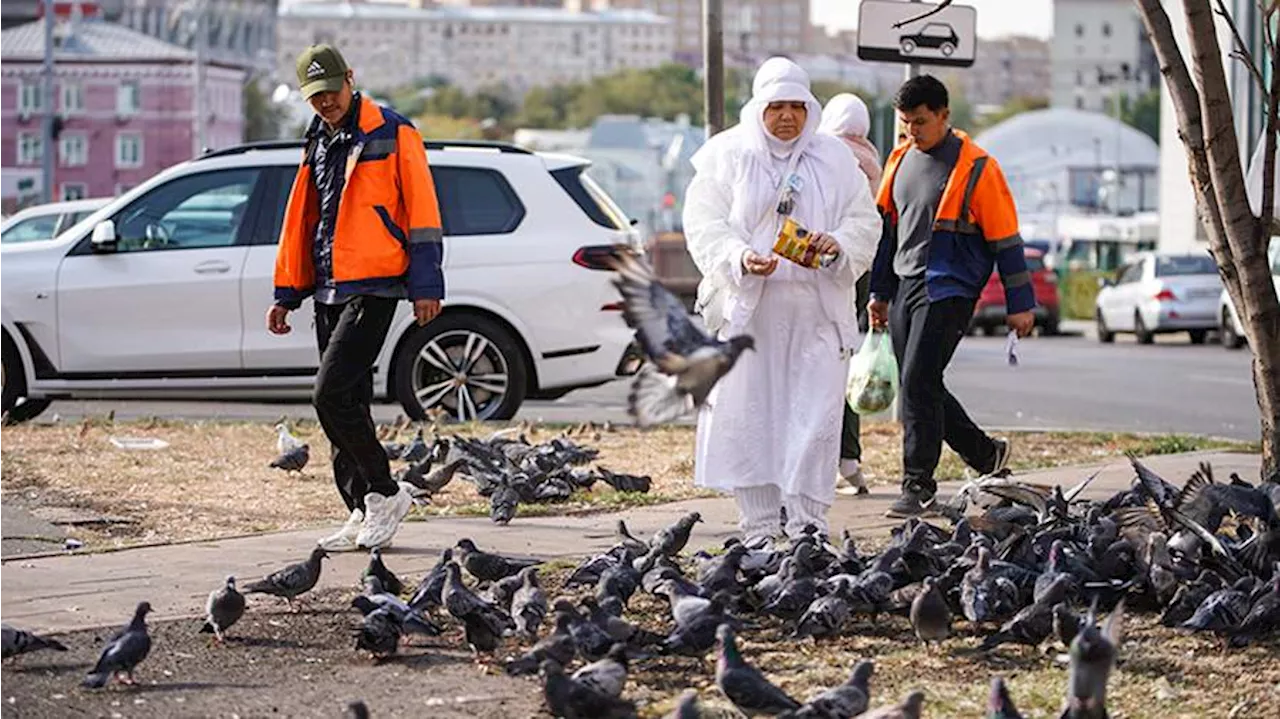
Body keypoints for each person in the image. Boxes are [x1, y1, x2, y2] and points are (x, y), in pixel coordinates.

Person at [684, 57, 880, 544]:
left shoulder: (835, 159)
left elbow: (865, 220)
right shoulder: (726, 156)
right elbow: (703, 224)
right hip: (752, 316)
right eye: (777, 107)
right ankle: (759, 530)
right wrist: (739, 257)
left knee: (813, 420)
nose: (787, 117)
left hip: (815, 315)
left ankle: (808, 530)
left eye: (797, 106)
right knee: (753, 419)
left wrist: (836, 246)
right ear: (758, 108)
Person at [268, 44, 446, 551]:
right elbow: (308, 217)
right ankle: (360, 506)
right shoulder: (318, 138)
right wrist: (287, 293)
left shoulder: (393, 130)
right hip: (327, 285)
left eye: (330, 91)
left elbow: (423, 209)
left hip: (376, 282)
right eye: (314, 96)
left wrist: (426, 285)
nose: (324, 103)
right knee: (351, 400)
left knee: (328, 396)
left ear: (350, 78)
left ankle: (387, 492)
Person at [867, 75, 1035, 519]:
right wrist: (879, 291)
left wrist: (1021, 304)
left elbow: (1006, 239)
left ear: (944, 115)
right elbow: (889, 230)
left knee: (918, 382)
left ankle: (918, 484)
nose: (912, 132)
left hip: (949, 288)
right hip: (904, 285)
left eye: (920, 123)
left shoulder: (978, 167)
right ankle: (985, 454)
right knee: (920, 384)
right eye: (904, 124)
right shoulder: (899, 158)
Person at [819, 93, 884, 497]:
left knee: (816, 366)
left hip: (825, 265)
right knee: (843, 357)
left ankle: (826, 462)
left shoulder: (826, 156)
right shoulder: (872, 160)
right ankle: (850, 460)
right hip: (862, 270)